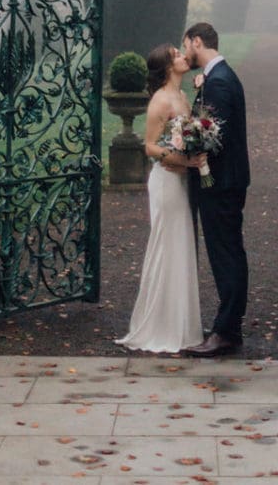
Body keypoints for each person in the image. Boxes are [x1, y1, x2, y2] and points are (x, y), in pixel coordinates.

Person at [115, 43, 206, 353]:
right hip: (167, 181)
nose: (183, 56)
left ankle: (182, 324)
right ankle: (161, 325)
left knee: (182, 246)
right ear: (168, 67)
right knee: (167, 245)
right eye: (177, 55)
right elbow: (150, 146)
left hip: (182, 180)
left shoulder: (182, 96)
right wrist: (182, 160)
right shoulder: (160, 100)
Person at [181, 22, 250, 356]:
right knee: (227, 252)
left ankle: (227, 332)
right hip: (224, 181)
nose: (185, 53)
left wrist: (182, 143)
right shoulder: (217, 77)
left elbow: (213, 137)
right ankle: (228, 328)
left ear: (197, 41)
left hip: (221, 183)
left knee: (227, 255)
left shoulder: (220, 81)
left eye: (186, 46)